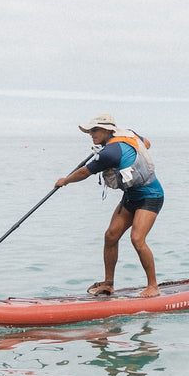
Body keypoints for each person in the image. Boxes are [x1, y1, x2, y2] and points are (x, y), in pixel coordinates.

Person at [55, 114, 165, 298]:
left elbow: (84, 172)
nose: (91, 134)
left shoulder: (110, 153)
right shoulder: (129, 134)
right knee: (110, 236)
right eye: (90, 130)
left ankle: (153, 286)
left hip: (151, 196)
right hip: (131, 197)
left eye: (94, 130)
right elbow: (147, 143)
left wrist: (65, 181)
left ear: (107, 130)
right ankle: (108, 284)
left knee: (137, 239)